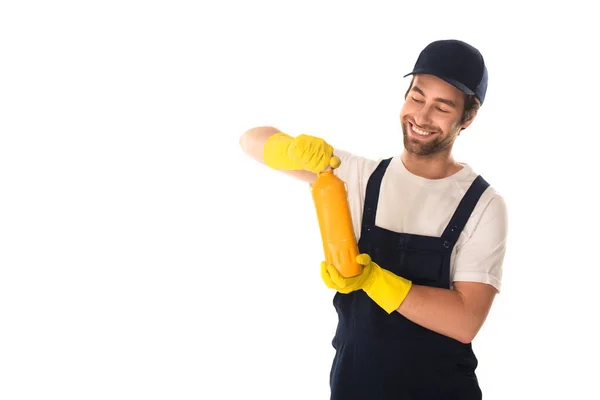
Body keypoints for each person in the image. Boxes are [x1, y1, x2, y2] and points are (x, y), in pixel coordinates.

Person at [239, 39, 507, 400]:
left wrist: (372, 279)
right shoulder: (356, 177)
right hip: (353, 387)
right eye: (417, 97)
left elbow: (464, 321)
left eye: (442, 107)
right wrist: (289, 148)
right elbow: (251, 140)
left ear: (468, 118)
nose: (422, 117)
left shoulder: (483, 205)